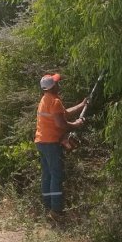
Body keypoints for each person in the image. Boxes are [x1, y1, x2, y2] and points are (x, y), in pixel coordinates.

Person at [34, 73, 86, 216]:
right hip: (51, 143)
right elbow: (61, 123)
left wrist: (81, 105)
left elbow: (63, 114)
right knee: (56, 175)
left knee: (47, 175)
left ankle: (47, 207)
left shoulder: (45, 99)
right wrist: (76, 124)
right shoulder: (54, 101)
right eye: (57, 82)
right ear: (53, 86)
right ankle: (56, 210)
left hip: (41, 141)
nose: (59, 84)